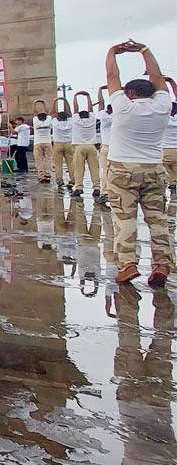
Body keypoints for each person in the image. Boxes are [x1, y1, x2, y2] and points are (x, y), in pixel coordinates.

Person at [103, 40, 171, 287]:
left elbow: (112, 75)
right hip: (153, 167)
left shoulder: (123, 106)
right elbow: (158, 77)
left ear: (129, 93)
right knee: (157, 219)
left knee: (124, 219)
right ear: (153, 92)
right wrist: (144, 51)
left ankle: (128, 264)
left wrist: (113, 52)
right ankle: (162, 264)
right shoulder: (163, 106)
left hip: (123, 169)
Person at [70, 92, 100, 198]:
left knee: (79, 169)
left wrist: (75, 96)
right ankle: (97, 187)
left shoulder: (76, 120)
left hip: (79, 146)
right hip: (91, 146)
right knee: (94, 168)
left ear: (78, 115)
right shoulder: (92, 119)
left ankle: (79, 187)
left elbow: (75, 108)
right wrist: (88, 96)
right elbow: (91, 109)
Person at [52, 97, 75, 190]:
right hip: (69, 144)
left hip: (58, 144)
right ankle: (73, 179)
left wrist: (54, 102)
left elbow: (53, 113)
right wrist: (65, 101)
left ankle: (59, 181)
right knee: (71, 163)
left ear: (58, 117)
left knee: (58, 164)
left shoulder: (55, 122)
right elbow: (69, 112)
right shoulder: (70, 122)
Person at [32, 100, 54, 184]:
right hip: (47, 142)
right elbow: (48, 112)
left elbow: (34, 113)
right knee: (48, 159)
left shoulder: (35, 121)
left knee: (38, 159)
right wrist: (44, 103)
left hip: (38, 143)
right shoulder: (48, 120)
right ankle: (48, 173)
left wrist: (35, 103)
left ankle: (41, 175)